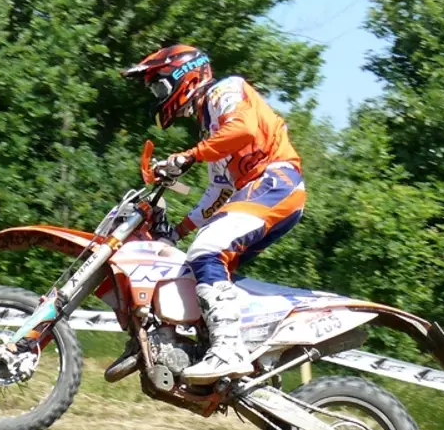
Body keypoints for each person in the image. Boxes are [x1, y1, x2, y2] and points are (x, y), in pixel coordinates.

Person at [120, 44, 305, 383]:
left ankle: (228, 349)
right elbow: (218, 193)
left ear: (185, 77)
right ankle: (242, 352)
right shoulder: (211, 129)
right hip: (263, 191)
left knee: (208, 250)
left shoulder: (225, 90)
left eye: (160, 86)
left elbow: (245, 130)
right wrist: (176, 232)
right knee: (199, 263)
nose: (159, 96)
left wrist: (189, 156)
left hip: (275, 182)